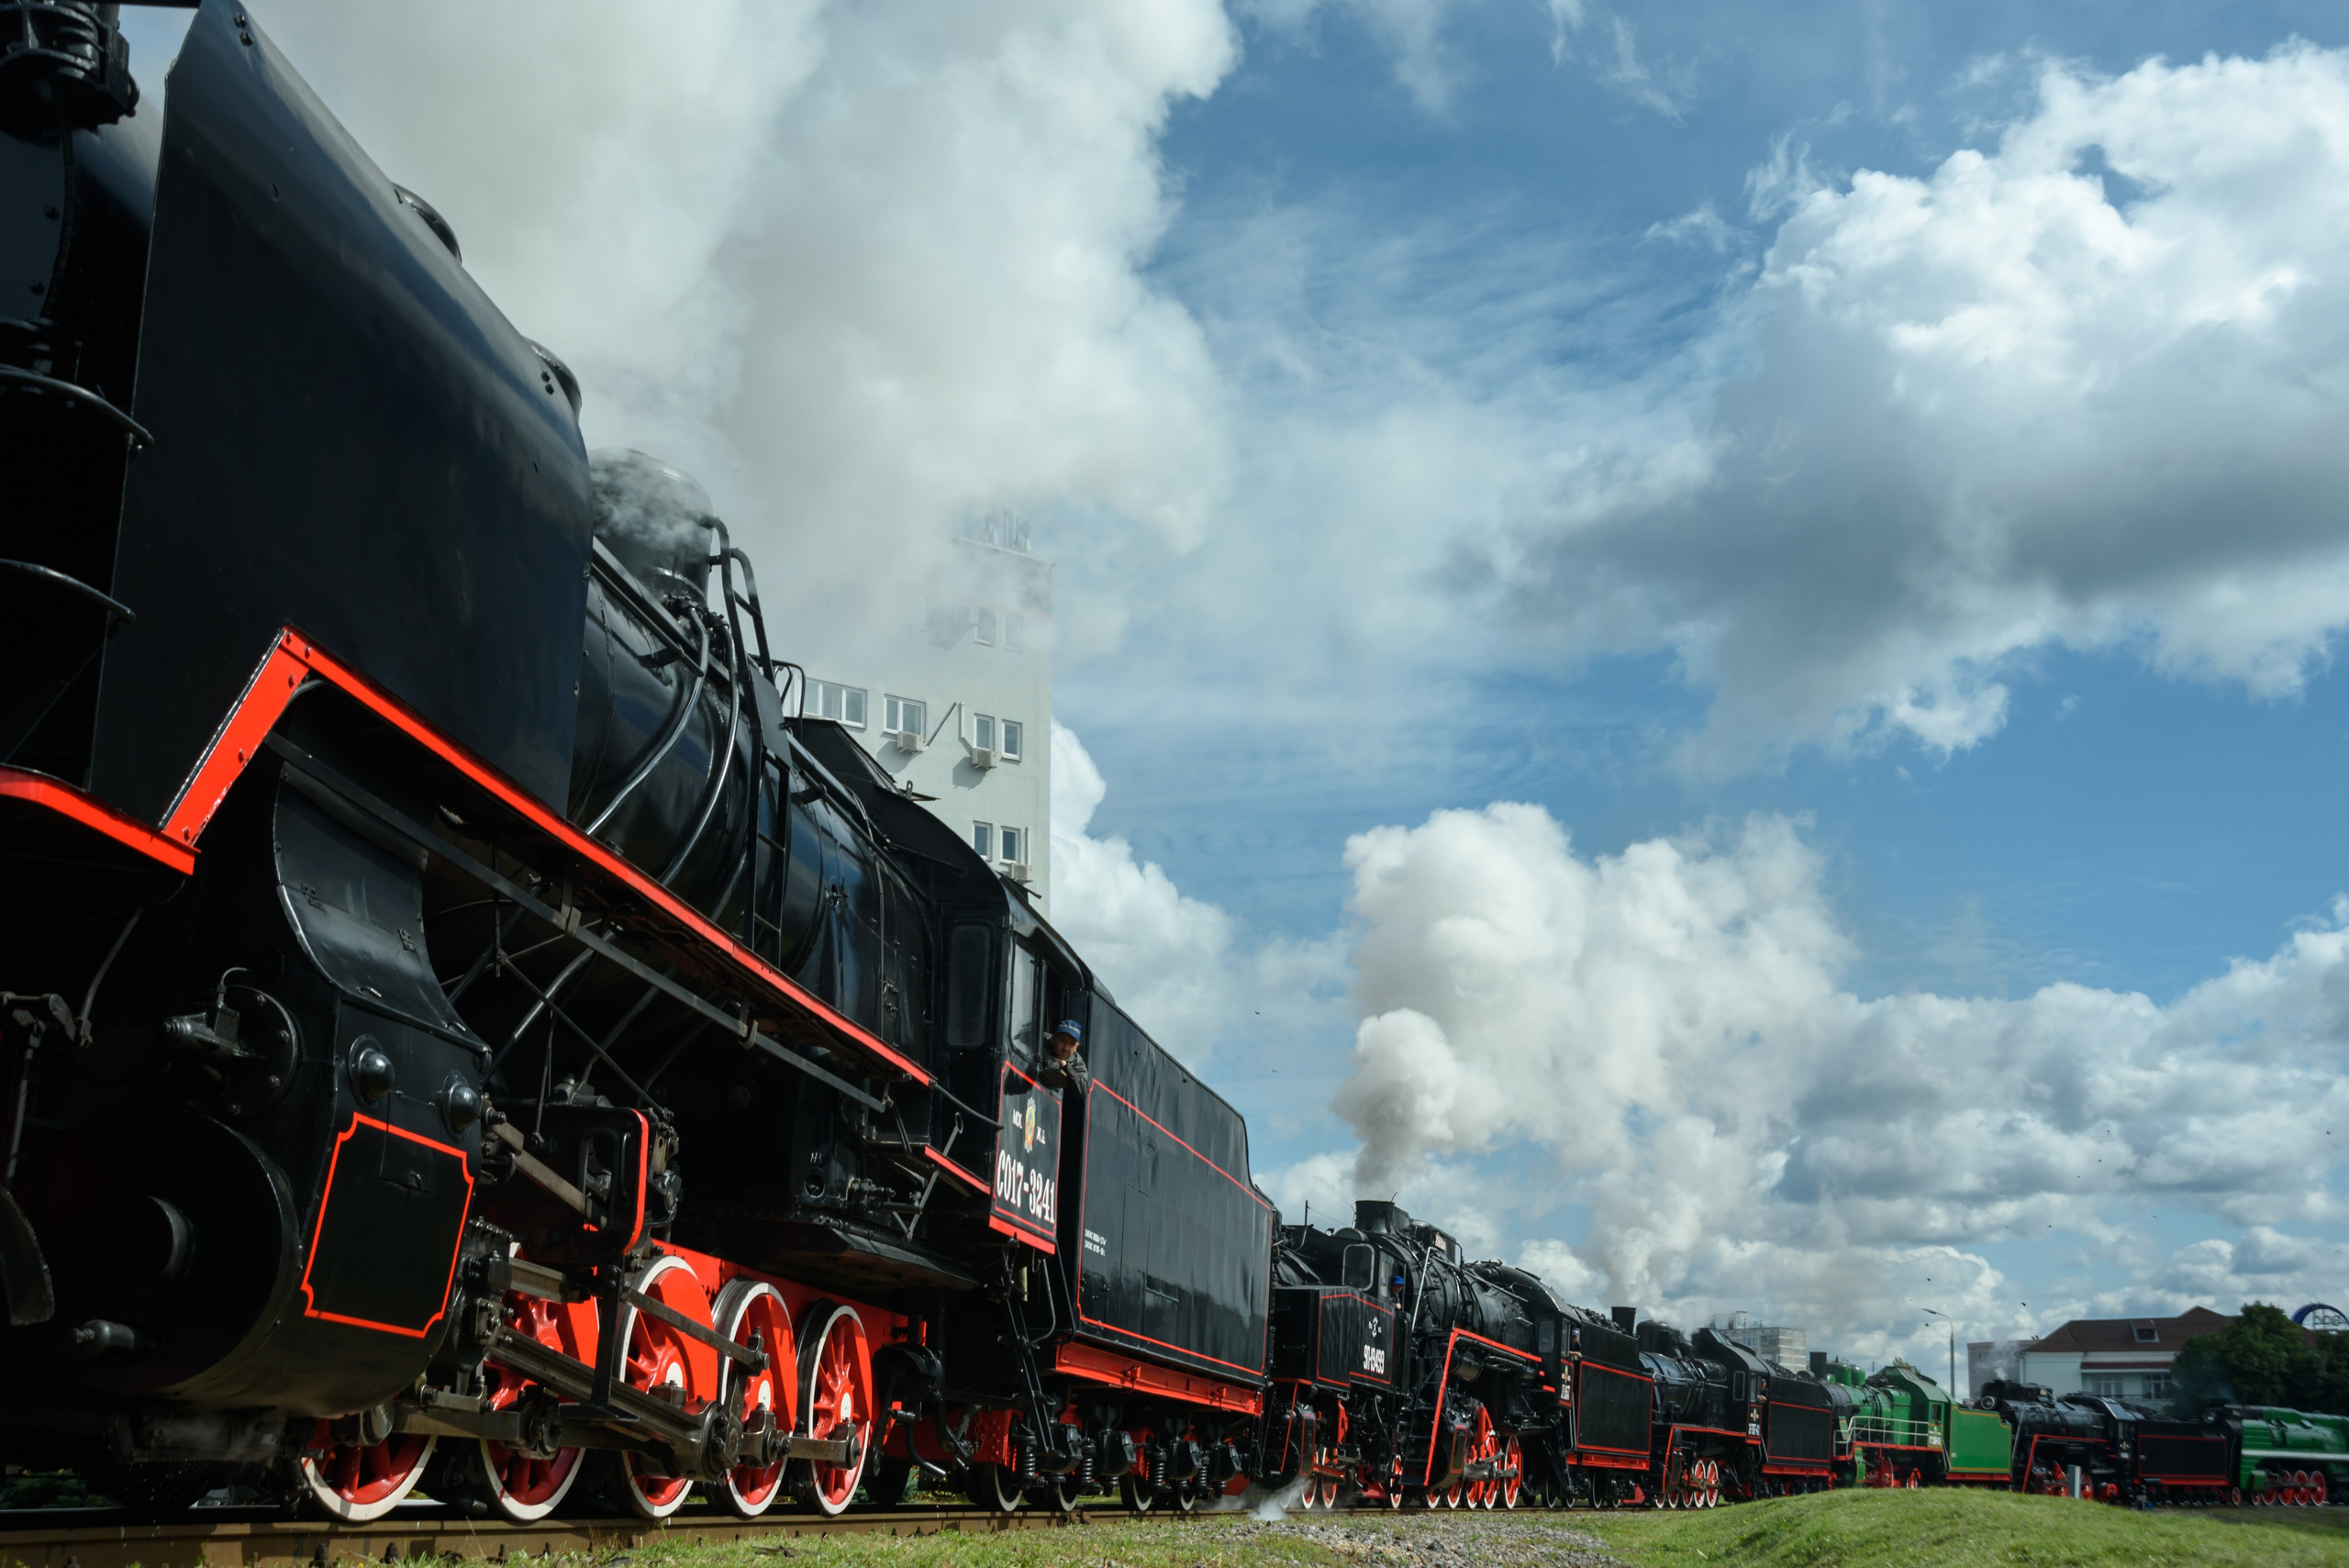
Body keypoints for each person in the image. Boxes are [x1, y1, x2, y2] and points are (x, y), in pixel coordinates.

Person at [1039, 1018, 1089, 1095]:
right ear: (1053, 1039)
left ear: (1076, 1047)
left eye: (1071, 1044)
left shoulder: (1077, 1062)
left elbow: (1084, 1090)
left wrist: (1065, 1066)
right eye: (1063, 1041)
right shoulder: (1040, 1040)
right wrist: (1053, 1062)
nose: (1066, 1048)